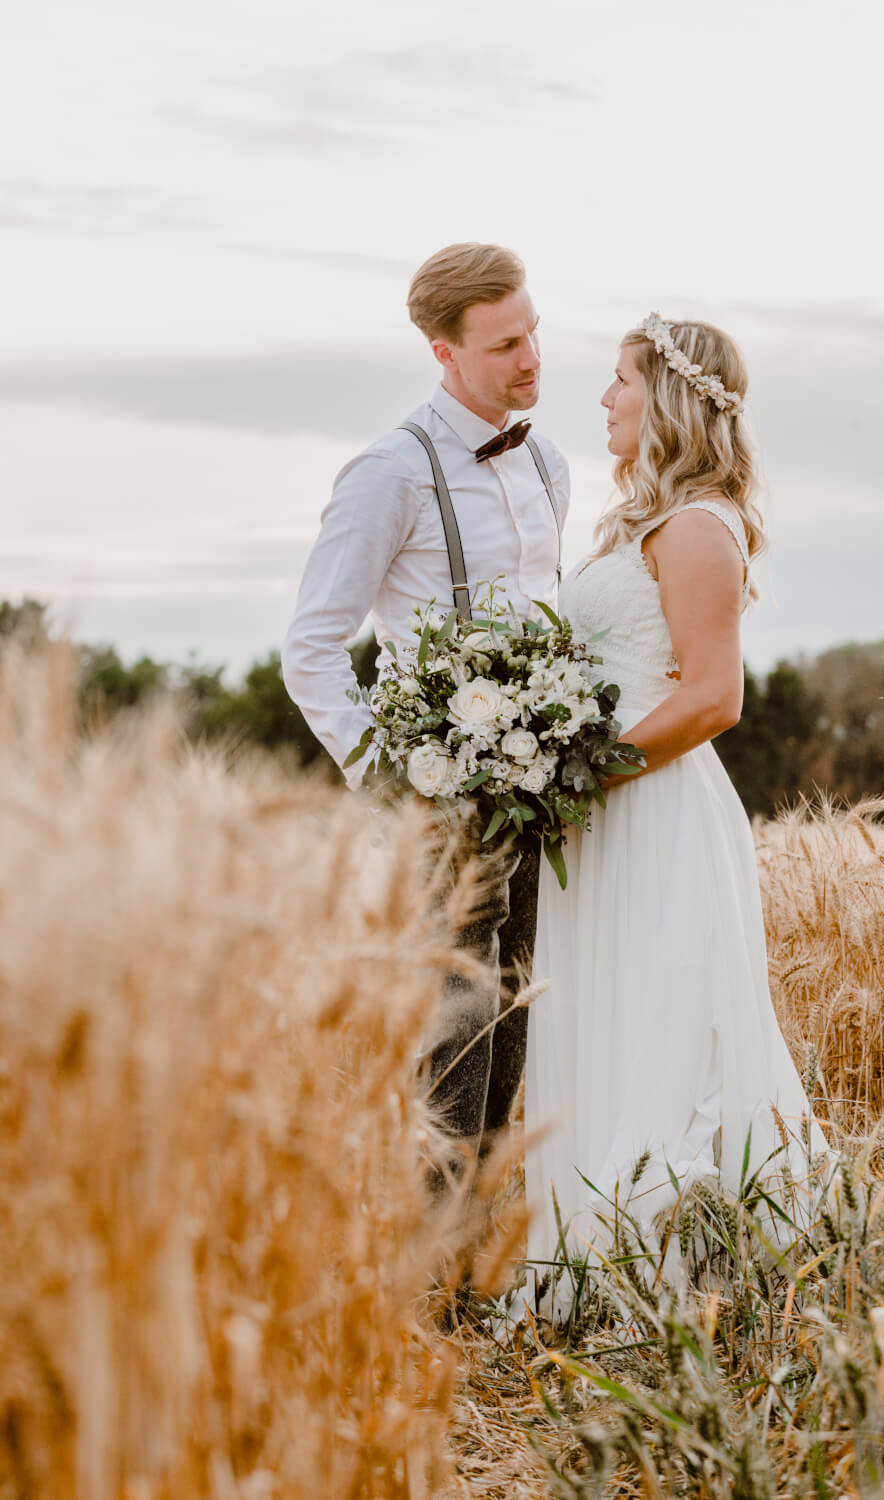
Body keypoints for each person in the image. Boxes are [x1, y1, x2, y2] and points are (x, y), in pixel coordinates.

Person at [522, 314, 827, 1317]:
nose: (603, 400)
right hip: (603, 812)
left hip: (649, 810)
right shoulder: (639, 523)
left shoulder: (697, 525)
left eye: (618, 381)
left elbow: (711, 700)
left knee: (657, 1023)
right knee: (596, 1016)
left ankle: (673, 1272)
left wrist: (576, 774)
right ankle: (587, 1267)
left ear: (670, 400)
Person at [282, 242, 569, 1175]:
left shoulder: (548, 465)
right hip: (441, 805)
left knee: (519, 1010)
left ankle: (476, 1272)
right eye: (503, 346)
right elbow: (312, 648)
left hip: (542, 792)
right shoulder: (388, 475)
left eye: (532, 334)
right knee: (453, 1036)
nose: (530, 359)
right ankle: (429, 1276)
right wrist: (394, 774)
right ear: (444, 353)